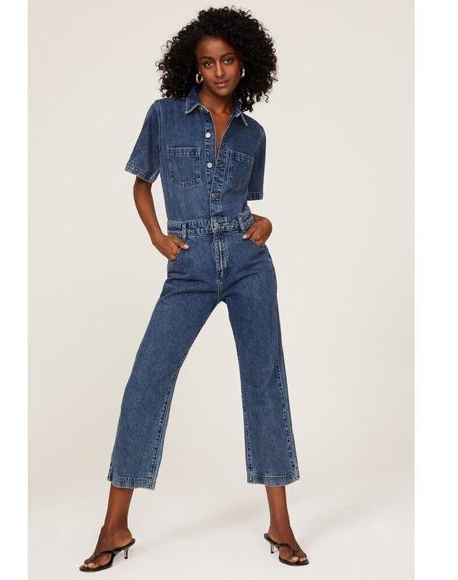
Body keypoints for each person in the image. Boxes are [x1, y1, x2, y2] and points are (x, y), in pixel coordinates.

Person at [80, 7, 308, 571]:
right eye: (208, 63)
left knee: (265, 382)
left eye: (228, 60)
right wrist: (158, 236)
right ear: (194, 66)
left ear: (245, 63)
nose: (219, 71)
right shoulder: (164, 116)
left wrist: (266, 224)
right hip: (189, 267)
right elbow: (141, 184)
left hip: (250, 264)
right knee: (147, 381)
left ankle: (280, 524)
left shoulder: (254, 133)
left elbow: (247, 204)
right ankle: (114, 526)